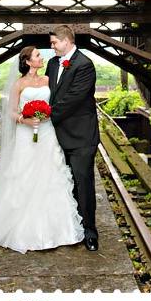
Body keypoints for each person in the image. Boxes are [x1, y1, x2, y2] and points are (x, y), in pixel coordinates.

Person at [0, 46, 84, 254]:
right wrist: (25, 120)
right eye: (37, 55)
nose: (41, 57)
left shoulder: (48, 81)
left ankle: (59, 229)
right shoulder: (19, 84)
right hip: (27, 135)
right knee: (24, 173)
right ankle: (20, 227)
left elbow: (56, 102)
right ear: (27, 62)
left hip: (47, 132)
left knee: (51, 172)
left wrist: (46, 115)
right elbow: (11, 112)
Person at [46, 25, 100, 251]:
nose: (51, 47)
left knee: (83, 182)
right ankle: (68, 227)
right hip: (56, 136)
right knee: (61, 183)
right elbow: (49, 93)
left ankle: (89, 231)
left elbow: (73, 99)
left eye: (53, 43)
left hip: (81, 136)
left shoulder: (84, 65)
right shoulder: (51, 64)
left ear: (66, 41)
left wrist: (46, 115)